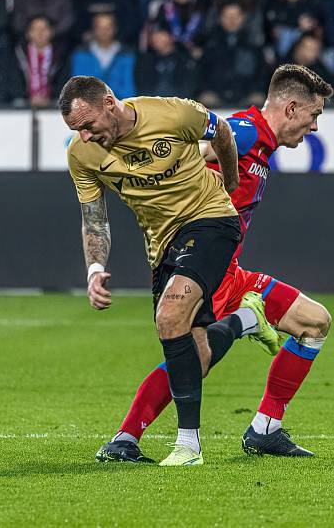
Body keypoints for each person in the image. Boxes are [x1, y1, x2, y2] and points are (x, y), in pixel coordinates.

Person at [95, 64, 334, 463]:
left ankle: (265, 429)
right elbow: (202, 149)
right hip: (207, 265)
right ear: (291, 108)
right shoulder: (246, 130)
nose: (314, 127)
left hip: (233, 271)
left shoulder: (263, 145)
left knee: (314, 322)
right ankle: (126, 437)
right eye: (314, 115)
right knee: (196, 358)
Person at [60, 75, 280, 466]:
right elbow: (94, 219)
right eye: (77, 131)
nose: (86, 136)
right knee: (197, 356)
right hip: (162, 244)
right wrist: (94, 269)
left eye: (88, 125)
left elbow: (224, 132)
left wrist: (230, 181)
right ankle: (245, 319)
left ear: (110, 103)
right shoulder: (81, 154)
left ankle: (188, 445)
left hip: (211, 220)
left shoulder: (173, 113)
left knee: (170, 316)